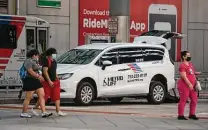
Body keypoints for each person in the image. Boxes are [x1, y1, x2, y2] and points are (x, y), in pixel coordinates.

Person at [31, 48, 67, 116]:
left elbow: (54, 71)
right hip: (47, 82)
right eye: (54, 53)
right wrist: (49, 81)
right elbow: (45, 71)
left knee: (57, 96)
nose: (55, 55)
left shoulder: (54, 61)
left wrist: (57, 78)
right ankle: (35, 108)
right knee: (44, 96)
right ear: (50, 54)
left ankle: (58, 111)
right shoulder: (46, 61)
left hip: (55, 82)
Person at [21, 49, 53, 118]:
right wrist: (38, 76)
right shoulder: (28, 61)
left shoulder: (35, 61)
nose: (38, 56)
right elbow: (30, 71)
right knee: (28, 97)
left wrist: (39, 75)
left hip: (36, 80)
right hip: (30, 80)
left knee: (42, 95)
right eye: (37, 55)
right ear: (33, 55)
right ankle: (24, 113)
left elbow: (37, 70)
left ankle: (43, 112)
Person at [177, 51, 201, 120]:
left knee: (194, 99)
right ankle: (180, 115)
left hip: (192, 85)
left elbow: (191, 73)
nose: (189, 56)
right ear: (184, 57)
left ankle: (192, 114)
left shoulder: (190, 65)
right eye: (188, 55)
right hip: (185, 85)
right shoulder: (182, 65)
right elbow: (184, 76)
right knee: (183, 100)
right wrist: (189, 84)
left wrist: (196, 74)